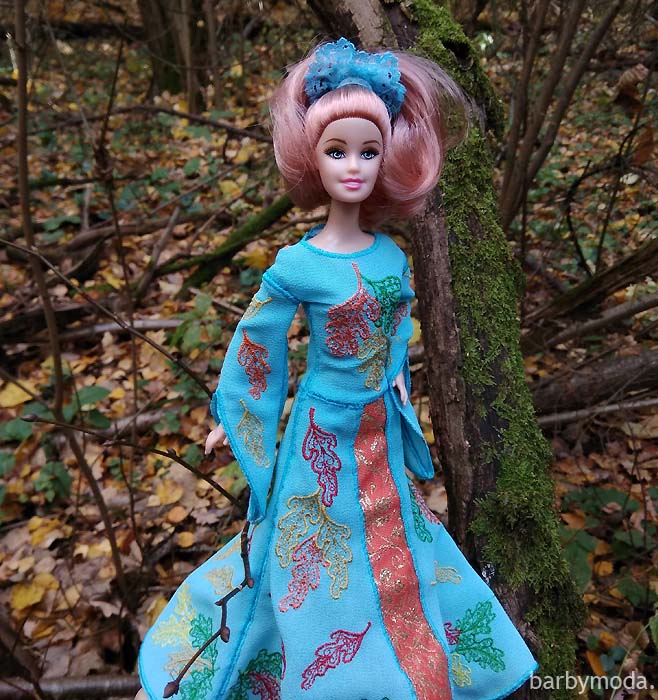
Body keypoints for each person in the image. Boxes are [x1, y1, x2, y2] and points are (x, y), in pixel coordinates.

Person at [136, 38, 537, 700]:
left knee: (391, 539)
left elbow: (397, 323)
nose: (353, 166)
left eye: (369, 152)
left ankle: (402, 658)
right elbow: (259, 343)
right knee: (309, 546)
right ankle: (300, 664)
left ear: (390, 158)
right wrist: (237, 416)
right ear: (310, 158)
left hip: (378, 428)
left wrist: (398, 376)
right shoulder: (298, 266)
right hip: (321, 431)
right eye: (337, 151)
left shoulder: (390, 257)